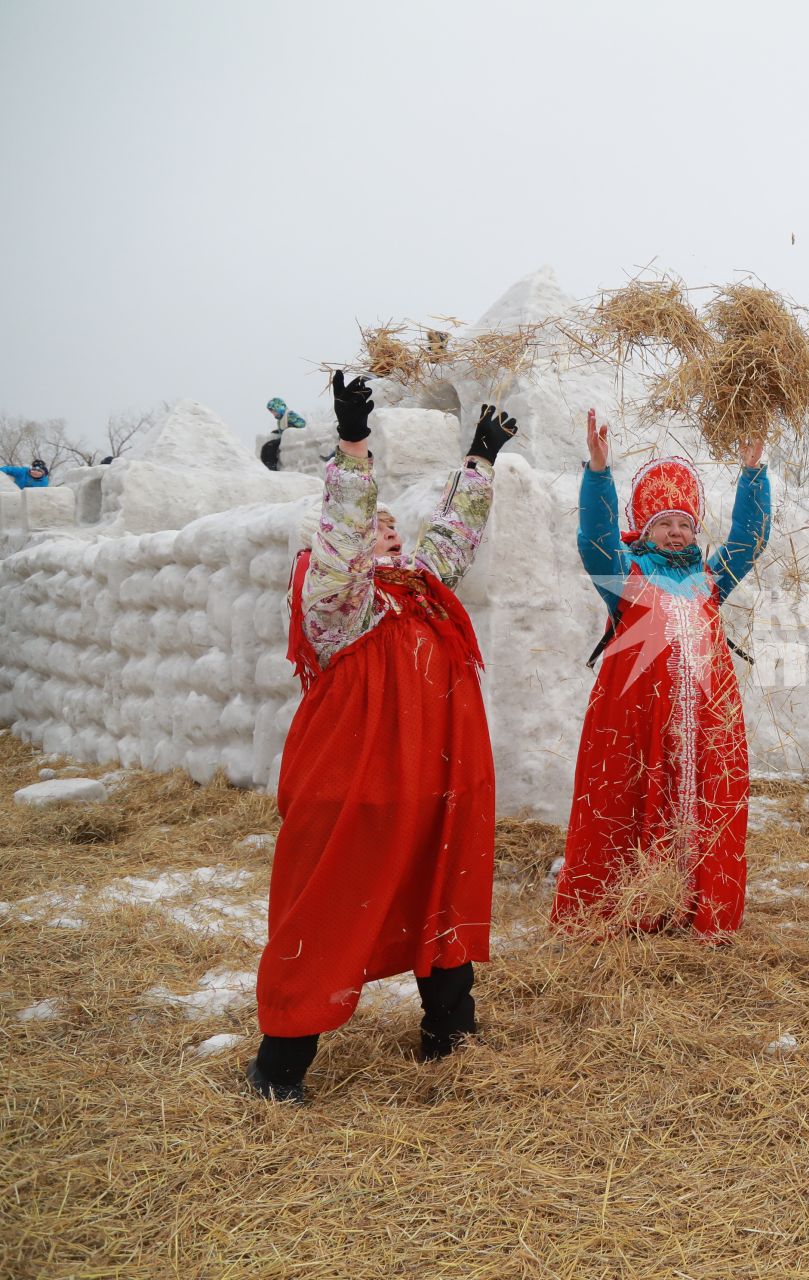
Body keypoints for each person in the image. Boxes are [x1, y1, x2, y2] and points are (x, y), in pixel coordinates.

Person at [247, 372, 515, 1103]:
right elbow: (341, 539)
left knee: (441, 887)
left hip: (434, 776)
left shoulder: (420, 586)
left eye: (390, 525)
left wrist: (480, 459)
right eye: (376, 525)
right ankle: (280, 1068)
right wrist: (355, 450)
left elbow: (453, 536)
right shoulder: (336, 598)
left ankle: (448, 1032)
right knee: (334, 901)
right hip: (358, 782)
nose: (387, 531)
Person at [552, 410, 772, 940]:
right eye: (664, 524)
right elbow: (595, 539)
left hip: (705, 729)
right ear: (645, 530)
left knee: (702, 809)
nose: (676, 533)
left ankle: (696, 908)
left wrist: (753, 472)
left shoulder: (709, 580)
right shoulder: (625, 576)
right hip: (637, 727)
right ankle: (632, 908)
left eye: (685, 524)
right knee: (631, 805)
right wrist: (600, 473)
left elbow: (749, 539)